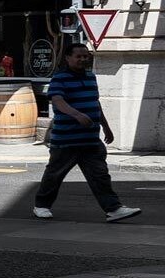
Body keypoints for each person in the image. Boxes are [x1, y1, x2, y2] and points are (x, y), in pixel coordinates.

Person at [35, 43, 141, 222]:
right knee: (55, 174)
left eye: (86, 56)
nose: (83, 59)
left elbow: (95, 103)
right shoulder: (60, 78)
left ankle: (113, 209)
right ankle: (41, 206)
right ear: (68, 58)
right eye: (79, 56)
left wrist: (106, 126)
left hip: (90, 139)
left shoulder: (91, 77)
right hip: (67, 140)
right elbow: (57, 101)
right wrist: (76, 115)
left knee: (100, 175)